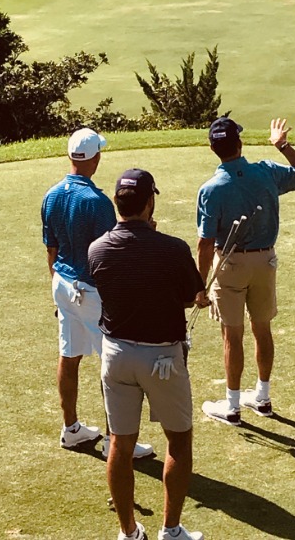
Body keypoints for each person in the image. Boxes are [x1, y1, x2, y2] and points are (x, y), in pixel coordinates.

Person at [89, 169, 205, 540]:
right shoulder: (173, 248)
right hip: (162, 359)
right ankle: (171, 531)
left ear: (117, 203)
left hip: (116, 355)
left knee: (120, 444)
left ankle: (128, 533)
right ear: (149, 203)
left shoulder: (97, 249)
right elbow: (188, 297)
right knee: (179, 441)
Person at [196, 116, 295, 426]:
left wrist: (199, 285)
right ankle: (262, 398)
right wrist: (282, 145)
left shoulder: (210, 189)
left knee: (231, 335)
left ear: (213, 149)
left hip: (230, 265)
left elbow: (205, 244)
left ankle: (232, 406)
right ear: (240, 144)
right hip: (265, 262)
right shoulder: (266, 171)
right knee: (261, 329)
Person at [41, 128, 153, 459]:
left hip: (62, 282)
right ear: (96, 158)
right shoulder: (97, 202)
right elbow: (110, 254)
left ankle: (71, 429)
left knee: (69, 354)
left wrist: (57, 293)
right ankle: (113, 441)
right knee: (112, 364)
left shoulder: (51, 195)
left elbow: (51, 249)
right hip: (92, 291)